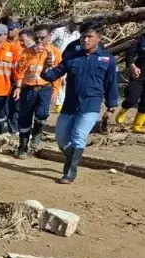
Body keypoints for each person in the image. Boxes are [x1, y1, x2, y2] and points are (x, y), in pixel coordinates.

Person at [42, 20, 118, 184]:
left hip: (91, 105)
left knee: (78, 135)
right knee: (61, 138)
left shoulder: (107, 59)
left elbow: (111, 84)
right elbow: (53, 75)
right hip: (70, 104)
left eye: (89, 37)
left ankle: (70, 172)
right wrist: (45, 67)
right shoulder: (72, 57)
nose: (85, 40)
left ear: (99, 37)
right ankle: (71, 157)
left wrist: (111, 108)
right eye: (83, 37)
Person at [11, 27, 61, 158]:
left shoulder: (55, 52)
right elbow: (19, 71)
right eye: (36, 38)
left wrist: (55, 90)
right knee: (25, 117)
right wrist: (18, 87)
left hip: (45, 89)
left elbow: (58, 73)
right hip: (28, 89)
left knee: (42, 114)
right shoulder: (27, 52)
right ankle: (23, 147)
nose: (39, 40)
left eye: (42, 38)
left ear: (49, 37)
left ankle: (37, 132)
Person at [116, 34, 145, 132]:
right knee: (131, 99)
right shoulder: (140, 39)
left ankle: (137, 126)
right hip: (138, 75)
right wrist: (133, 66)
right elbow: (129, 54)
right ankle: (122, 111)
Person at [50, 21, 79, 113]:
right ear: (71, 22)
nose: (77, 26)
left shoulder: (77, 34)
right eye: (76, 23)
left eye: (79, 24)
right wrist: (52, 55)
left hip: (71, 60)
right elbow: (48, 42)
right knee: (59, 81)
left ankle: (63, 103)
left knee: (66, 82)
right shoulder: (59, 31)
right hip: (57, 60)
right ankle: (59, 105)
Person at [5, 21, 24, 134]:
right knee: (8, 105)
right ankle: (12, 128)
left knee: (19, 105)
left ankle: (18, 127)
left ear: (18, 30)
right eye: (8, 29)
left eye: (12, 29)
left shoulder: (23, 43)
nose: (9, 31)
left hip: (20, 79)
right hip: (7, 78)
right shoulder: (4, 43)